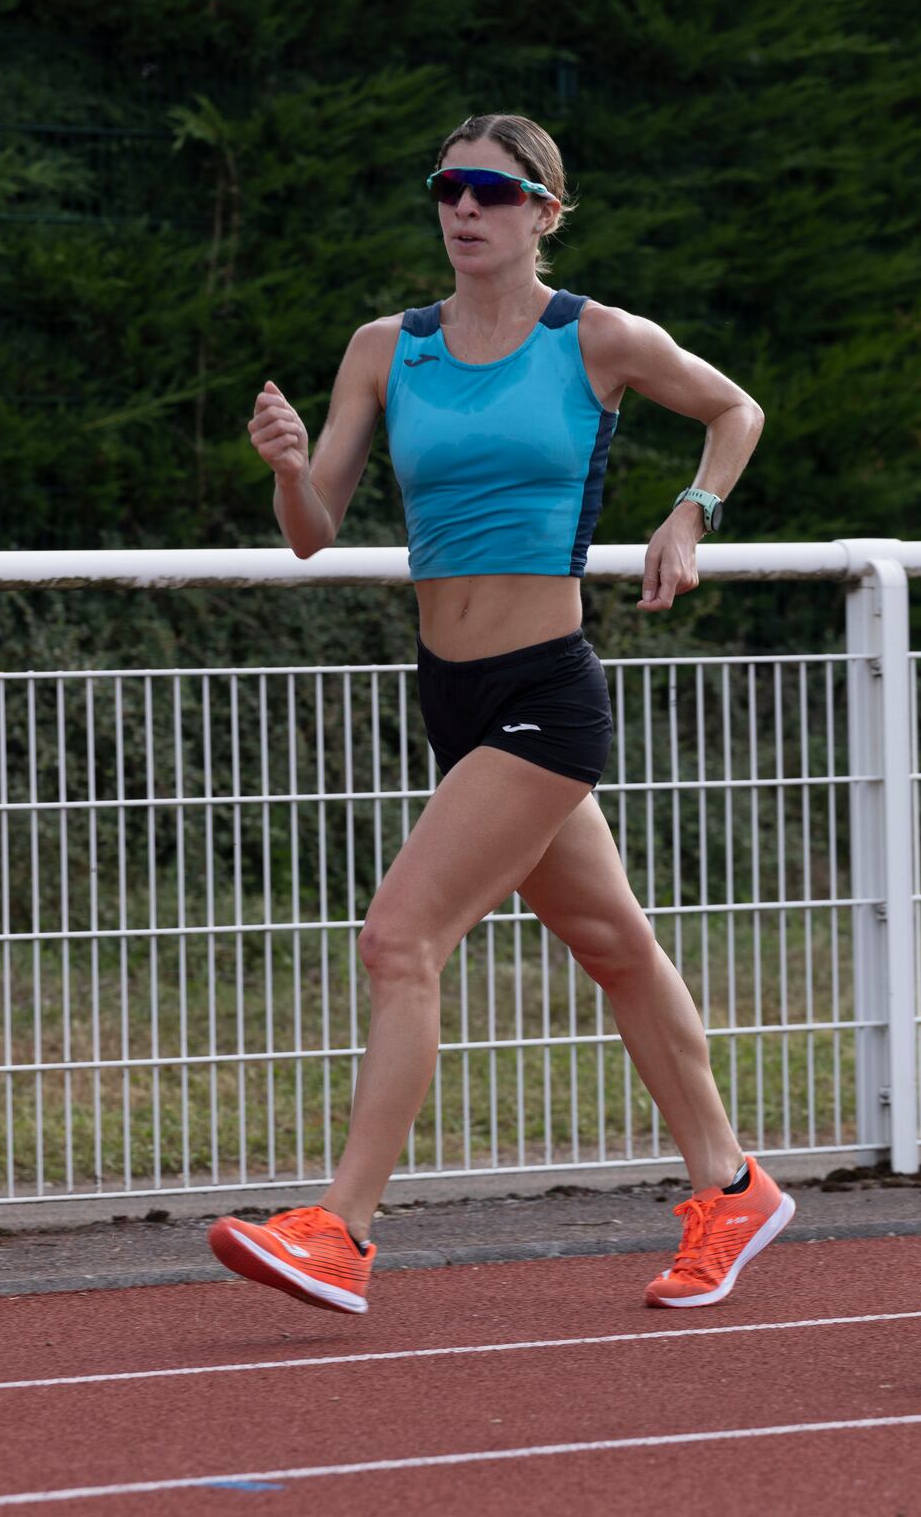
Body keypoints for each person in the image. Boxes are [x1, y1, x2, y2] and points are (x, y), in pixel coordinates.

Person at [210, 113, 791, 1316]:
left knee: (398, 938)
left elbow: (736, 411)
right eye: (448, 187)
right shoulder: (387, 348)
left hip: (544, 692)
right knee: (615, 947)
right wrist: (283, 465)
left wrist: (691, 512)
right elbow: (317, 532)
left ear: (545, 212)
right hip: (452, 696)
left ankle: (343, 1230)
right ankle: (729, 1185)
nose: (464, 208)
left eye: (492, 191)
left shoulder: (598, 339)